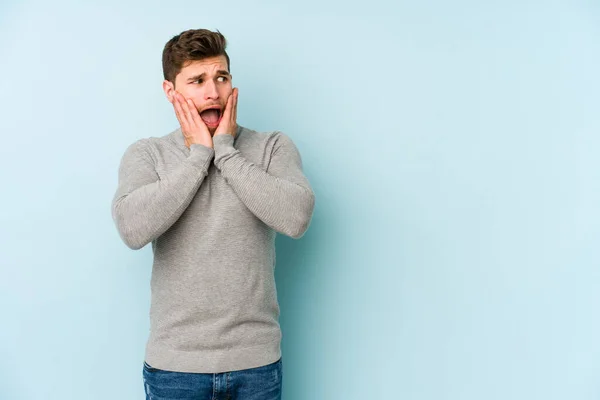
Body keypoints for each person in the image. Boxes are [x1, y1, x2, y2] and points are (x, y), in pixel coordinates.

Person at [110, 28, 315, 400]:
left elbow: (296, 219)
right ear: (170, 91)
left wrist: (225, 150)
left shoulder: (271, 147)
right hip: (176, 369)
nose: (212, 92)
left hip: (256, 364)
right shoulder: (147, 155)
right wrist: (198, 156)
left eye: (221, 78)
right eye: (198, 80)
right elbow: (132, 230)